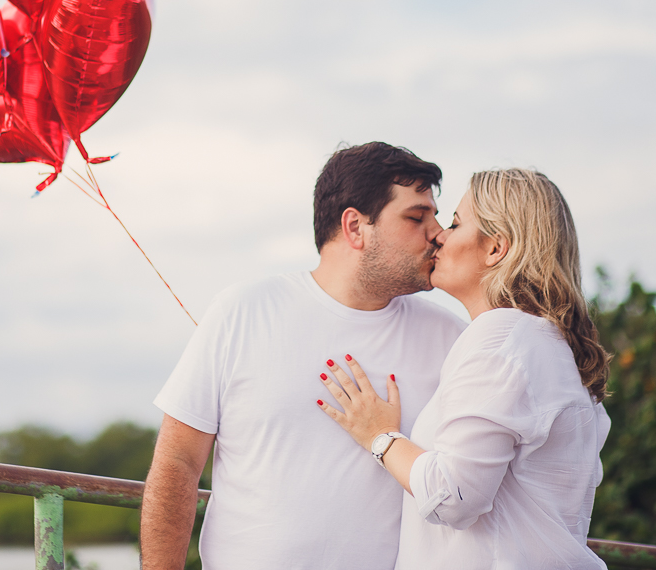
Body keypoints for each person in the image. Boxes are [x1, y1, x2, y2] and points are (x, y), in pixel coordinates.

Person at [141, 143, 467, 570]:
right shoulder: (241, 312)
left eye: (436, 217)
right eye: (416, 217)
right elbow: (178, 462)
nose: (438, 233)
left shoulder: (453, 338)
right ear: (355, 227)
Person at [318, 168, 612, 570]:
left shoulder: (500, 338)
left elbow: (452, 496)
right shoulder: (548, 342)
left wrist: (381, 436)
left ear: (495, 249)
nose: (439, 235)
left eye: (455, 224)